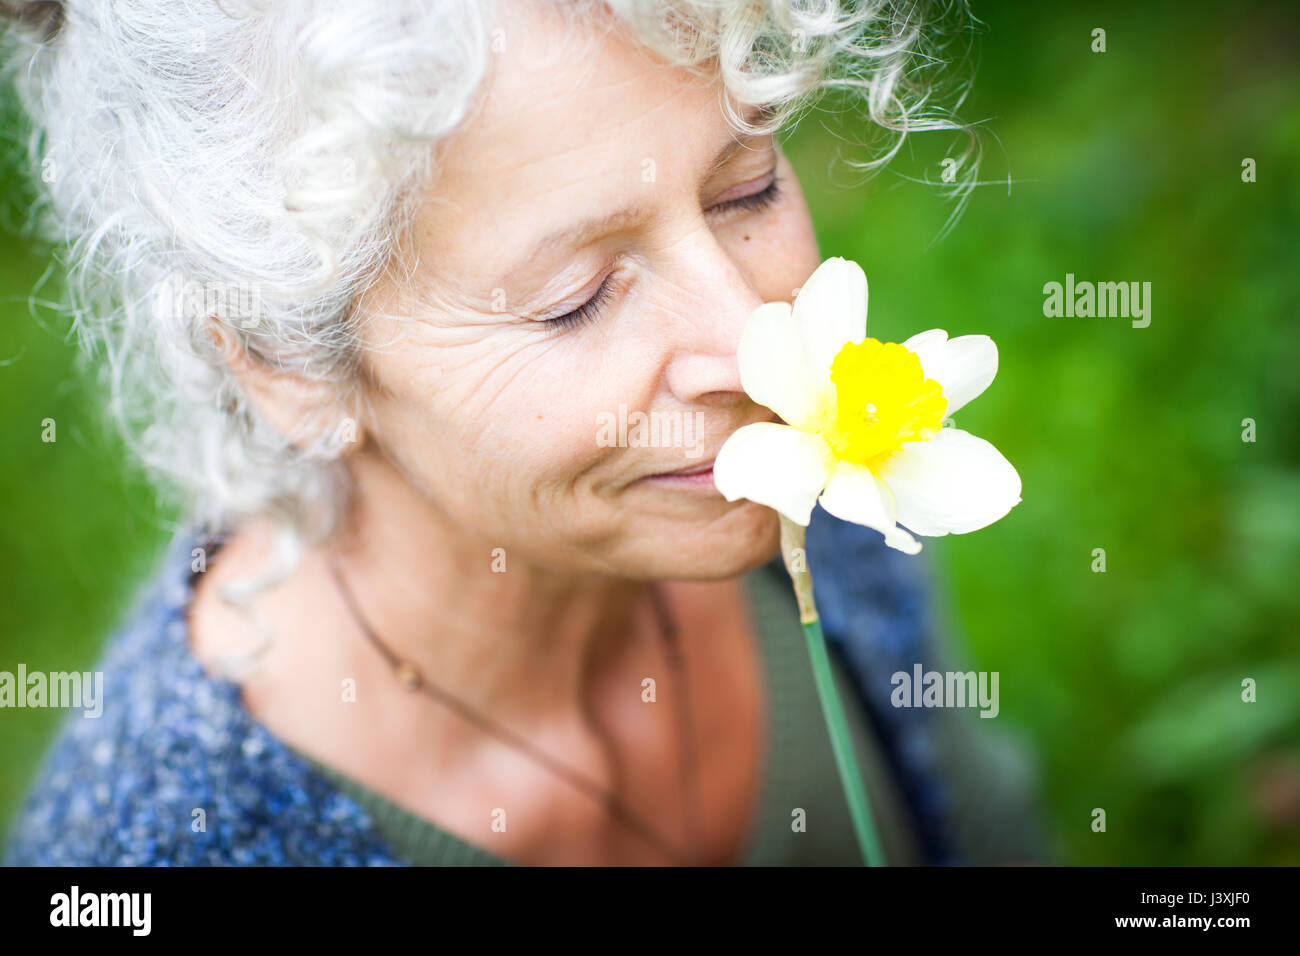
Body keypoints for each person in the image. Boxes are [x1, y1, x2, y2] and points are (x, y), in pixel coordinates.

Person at [1, 0, 1048, 866]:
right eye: (577, 298)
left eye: (747, 187)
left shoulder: (806, 496)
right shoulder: (155, 845)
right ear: (286, 365)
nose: (755, 339)